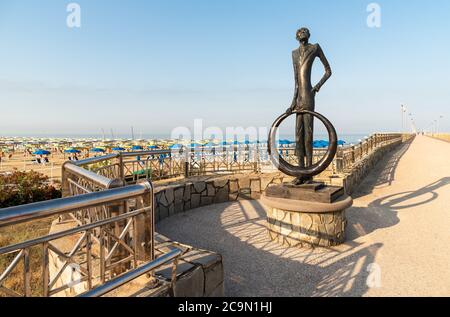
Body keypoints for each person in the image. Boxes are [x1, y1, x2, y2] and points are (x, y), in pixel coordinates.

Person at [288, 27, 332, 184]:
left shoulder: (315, 48)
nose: (302, 33)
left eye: (305, 31)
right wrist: (293, 102)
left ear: (309, 35)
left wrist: (316, 87)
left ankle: (309, 173)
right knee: (298, 136)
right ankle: (300, 173)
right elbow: (296, 81)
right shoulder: (294, 54)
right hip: (299, 99)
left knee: (308, 135)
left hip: (309, 96)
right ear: (296, 36)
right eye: (300, 32)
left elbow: (328, 71)